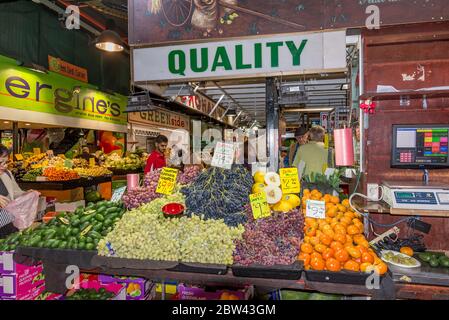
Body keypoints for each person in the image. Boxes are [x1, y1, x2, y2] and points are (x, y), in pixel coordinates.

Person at [0, 144, 25, 238]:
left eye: (6, 162)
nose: (4, 166)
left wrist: (26, 194)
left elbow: (15, 193)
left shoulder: (6, 174)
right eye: (0, 162)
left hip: (7, 224)